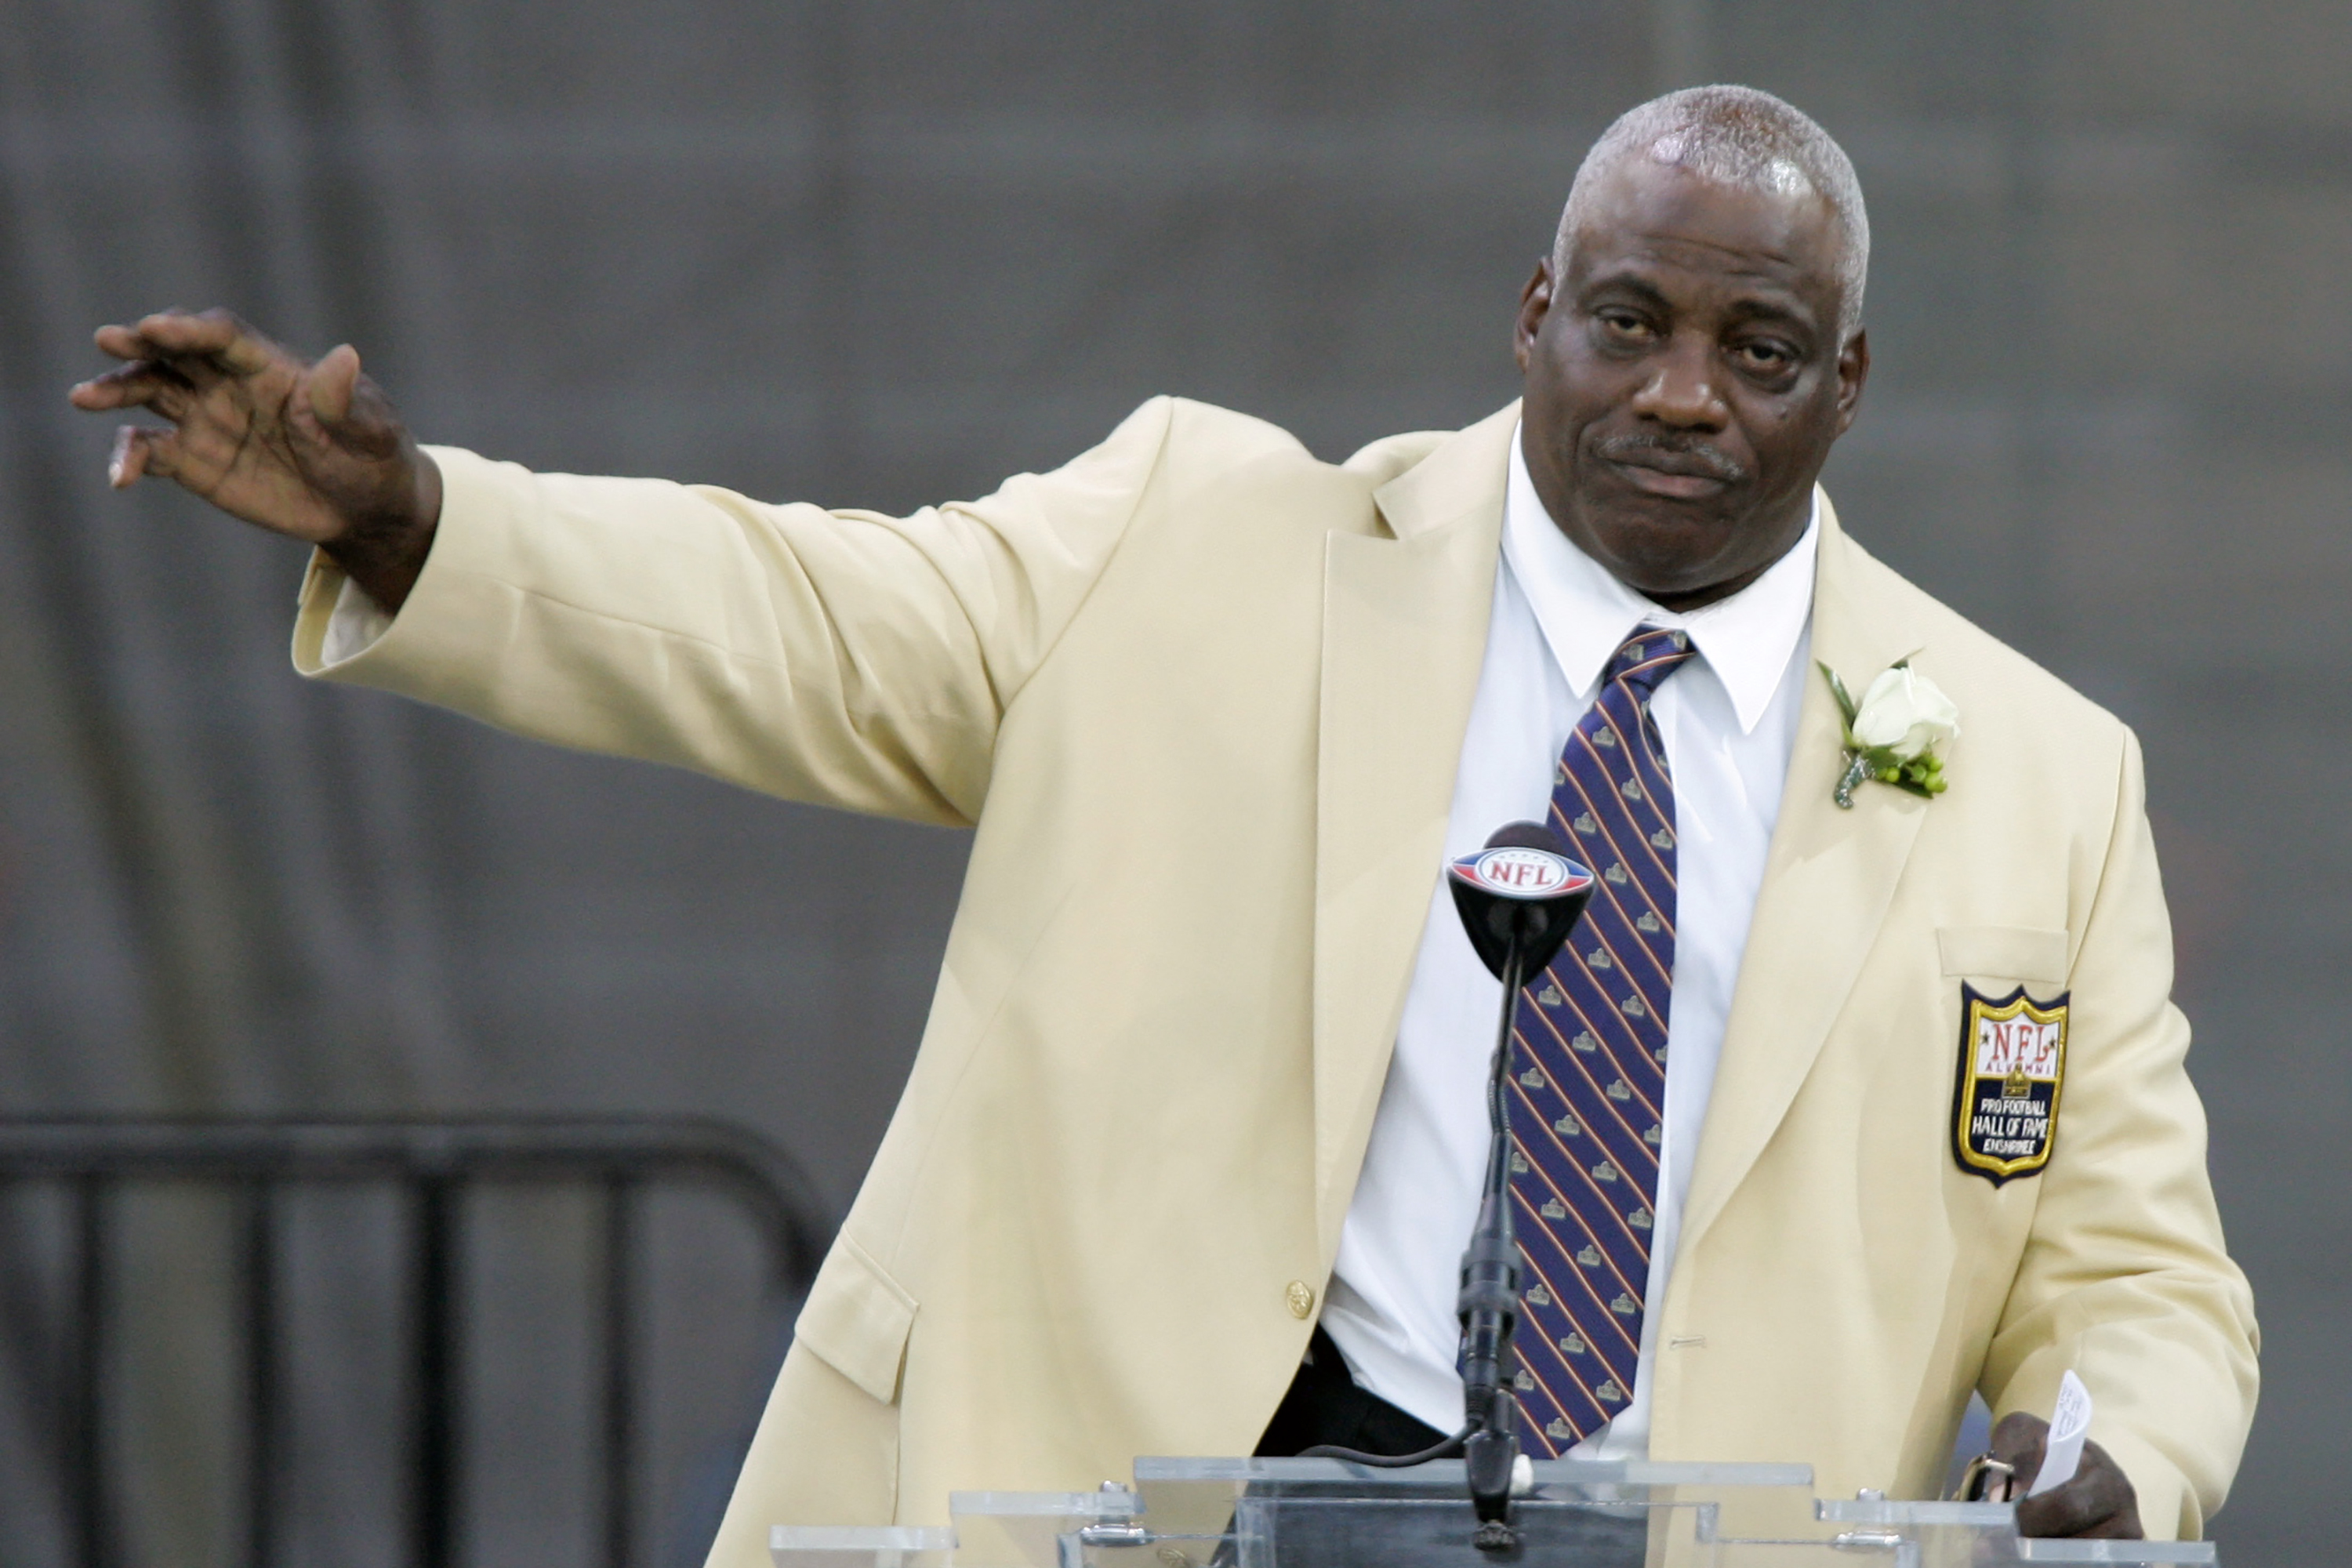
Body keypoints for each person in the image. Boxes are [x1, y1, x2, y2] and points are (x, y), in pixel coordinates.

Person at [70, 86, 2254, 1555]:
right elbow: (797, 615)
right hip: (1127, 1506)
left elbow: (2143, 1285)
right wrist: (414, 514)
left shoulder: (2034, 777)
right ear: (1533, 321)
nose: (1683, 391)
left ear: (1846, 385)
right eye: (1630, 321)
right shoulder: (1195, 548)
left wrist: (2110, 1464)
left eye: (1759, 345)